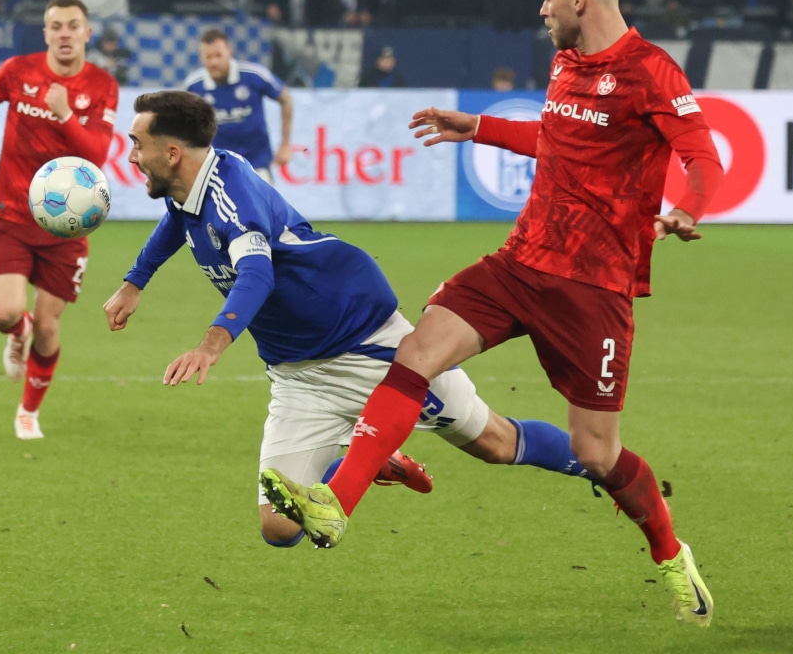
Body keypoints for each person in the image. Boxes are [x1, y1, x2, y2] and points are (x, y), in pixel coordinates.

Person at [261, 0, 723, 626]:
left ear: (579, 0)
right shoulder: (565, 60)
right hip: (520, 262)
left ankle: (669, 551)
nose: (539, 8)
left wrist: (689, 208)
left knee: (597, 453)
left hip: (592, 288)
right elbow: (557, 138)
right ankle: (338, 501)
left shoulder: (650, 72)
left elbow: (701, 153)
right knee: (416, 352)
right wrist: (476, 128)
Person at [104, 91, 593, 547]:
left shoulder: (233, 198)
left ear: (171, 153)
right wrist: (134, 282)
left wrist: (211, 345)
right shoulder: (190, 184)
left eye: (136, 144)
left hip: (365, 343)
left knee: (494, 442)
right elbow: (176, 218)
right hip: (296, 372)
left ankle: (598, 464)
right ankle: (377, 459)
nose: (130, 156)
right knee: (279, 528)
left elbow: (257, 273)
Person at [0, 0, 118, 440]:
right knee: (5, 313)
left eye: (73, 26)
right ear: (45, 33)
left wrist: (65, 112)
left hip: (69, 226)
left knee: (49, 328)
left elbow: (96, 155)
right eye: (56, 26)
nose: (64, 34)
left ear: (87, 34)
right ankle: (17, 331)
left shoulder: (103, 85)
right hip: (12, 214)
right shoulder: (18, 71)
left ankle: (28, 412)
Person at [183, 29, 293, 184]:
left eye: (218, 55)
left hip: (256, 162)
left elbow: (286, 99)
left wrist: (285, 145)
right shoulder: (194, 85)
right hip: (217, 165)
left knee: (257, 206)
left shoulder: (253, 75)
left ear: (229, 51)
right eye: (208, 57)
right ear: (201, 57)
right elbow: (184, 122)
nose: (214, 62)